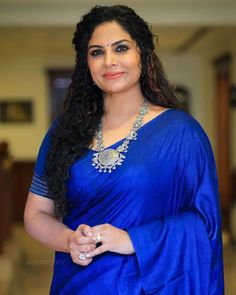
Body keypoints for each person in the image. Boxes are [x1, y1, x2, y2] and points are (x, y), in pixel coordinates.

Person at [24, 5, 224, 294]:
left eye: (121, 48)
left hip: (148, 285)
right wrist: (69, 240)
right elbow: (36, 214)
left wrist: (133, 240)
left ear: (142, 53)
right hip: (77, 284)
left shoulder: (181, 133)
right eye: (96, 52)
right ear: (86, 64)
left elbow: (205, 225)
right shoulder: (63, 132)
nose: (109, 61)